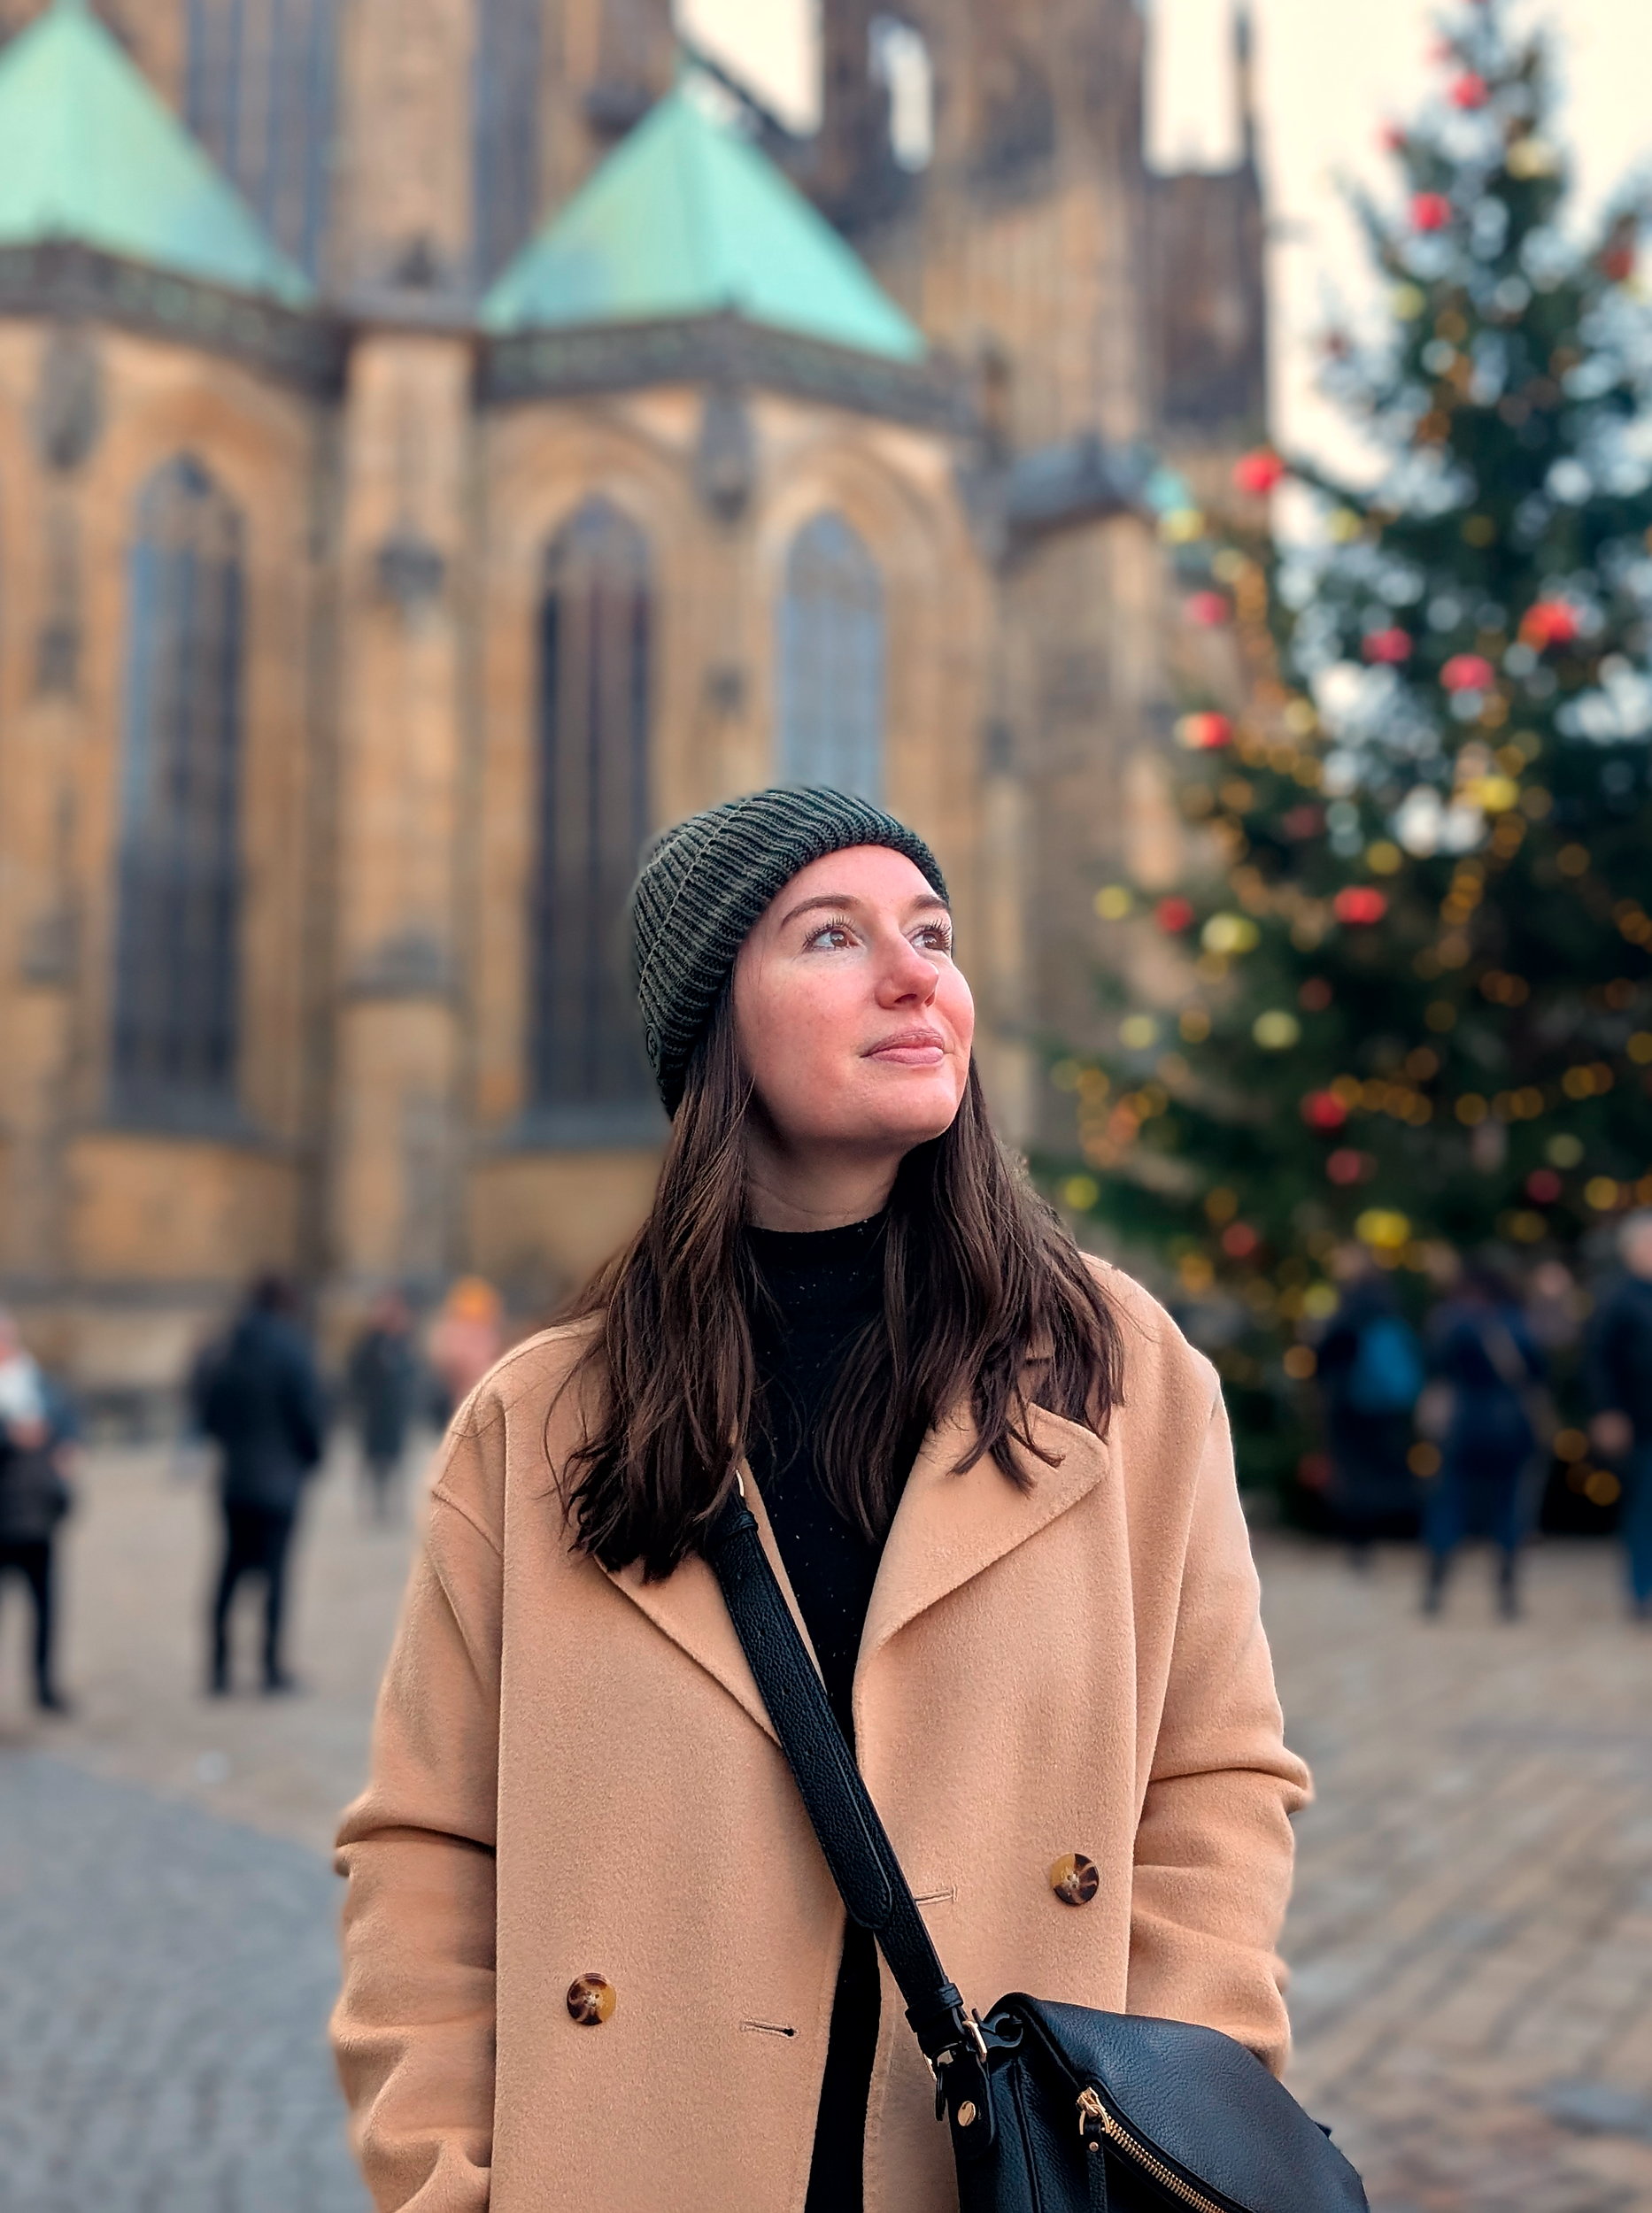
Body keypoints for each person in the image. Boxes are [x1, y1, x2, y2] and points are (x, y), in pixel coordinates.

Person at [330, 790, 1309, 2213]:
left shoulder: (1118, 1374)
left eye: (932, 932)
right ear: (711, 1024)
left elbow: (1216, 1784)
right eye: (832, 935)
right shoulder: (543, 1419)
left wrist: (1176, 2101)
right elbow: (425, 1845)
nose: (916, 973)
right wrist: (449, 2183)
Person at [194, 1274, 327, 1694]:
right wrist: (310, 1457)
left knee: (229, 1573)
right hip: (280, 1479)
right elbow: (309, 1413)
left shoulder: (226, 1347)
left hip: (235, 1479)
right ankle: (269, 1668)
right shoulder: (292, 1349)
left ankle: (218, 1668)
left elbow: (207, 1412)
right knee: (276, 1577)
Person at [1418, 1261, 1547, 1621]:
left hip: (1466, 1422)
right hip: (1511, 1423)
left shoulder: (1453, 1320)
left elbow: (1437, 1364)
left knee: (1450, 1503)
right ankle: (1507, 1590)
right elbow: (1539, 1370)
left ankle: (1436, 1585)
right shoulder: (1518, 1322)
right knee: (1510, 1506)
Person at [1313, 1246, 1423, 1566]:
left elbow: (1330, 1349)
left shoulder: (1350, 1307)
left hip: (1353, 1402)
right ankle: (1399, 1531)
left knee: (1355, 1472)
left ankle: (1360, 1543)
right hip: (1388, 1403)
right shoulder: (1387, 1302)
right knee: (1388, 1466)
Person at [0, 1311, 75, 1715]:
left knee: (46, 1607)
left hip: (39, 1510)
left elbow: (66, 1421)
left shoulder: (38, 1379)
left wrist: (66, 1447)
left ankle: (45, 1685)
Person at [1587, 1209, 1652, 1623]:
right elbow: (1598, 1361)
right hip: (1641, 1418)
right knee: (1645, 1507)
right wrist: (1608, 1411)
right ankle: (1641, 1590)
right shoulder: (1617, 1299)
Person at [345, 1291, 422, 1523]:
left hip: (395, 1412)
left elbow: (413, 1374)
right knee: (373, 1460)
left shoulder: (403, 1343)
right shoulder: (370, 1343)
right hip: (374, 1412)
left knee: (395, 1460)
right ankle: (374, 1504)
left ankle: (391, 1504)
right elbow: (356, 1372)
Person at [425, 1275, 503, 1429]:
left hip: (475, 1394)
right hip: (463, 1397)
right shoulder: (454, 1331)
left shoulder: (484, 1332)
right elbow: (449, 1360)